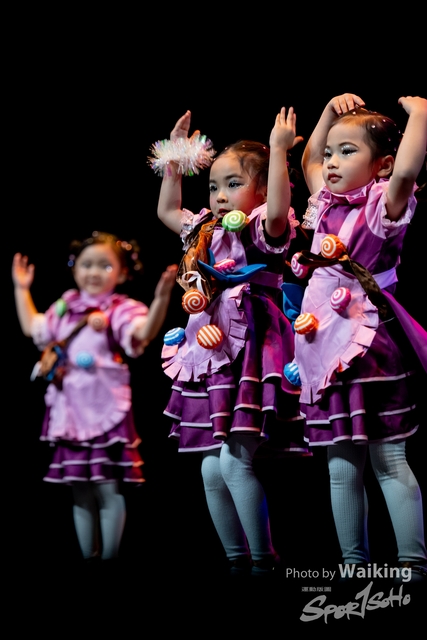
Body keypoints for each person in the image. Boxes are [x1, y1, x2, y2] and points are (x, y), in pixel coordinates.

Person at [149, 107, 308, 577]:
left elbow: (277, 209)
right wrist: (176, 154)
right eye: (214, 186)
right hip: (210, 349)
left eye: (232, 184)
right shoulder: (204, 229)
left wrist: (277, 150)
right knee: (209, 468)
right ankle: (239, 560)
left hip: (253, 346)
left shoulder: (263, 225)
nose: (219, 196)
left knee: (235, 460)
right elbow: (166, 211)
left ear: (261, 188)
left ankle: (263, 561)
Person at [289, 93, 427, 582]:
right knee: (340, 462)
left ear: (381, 164)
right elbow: (308, 159)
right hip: (321, 346)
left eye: (347, 152)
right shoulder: (324, 203)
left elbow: (407, 170)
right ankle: (353, 565)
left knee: (388, 457)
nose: (330, 161)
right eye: (331, 151)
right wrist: (328, 113)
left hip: (369, 346)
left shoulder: (381, 204)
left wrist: (420, 114)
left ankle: (412, 564)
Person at [12, 231, 178, 564]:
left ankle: (110, 560)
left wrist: (161, 300)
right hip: (70, 409)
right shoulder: (65, 306)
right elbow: (34, 328)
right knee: (80, 489)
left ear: (122, 273)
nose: (94, 272)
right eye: (87, 264)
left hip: (105, 408)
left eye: (105, 265)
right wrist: (21, 289)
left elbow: (142, 333)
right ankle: (89, 558)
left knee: (107, 487)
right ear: (75, 269)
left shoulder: (120, 309)